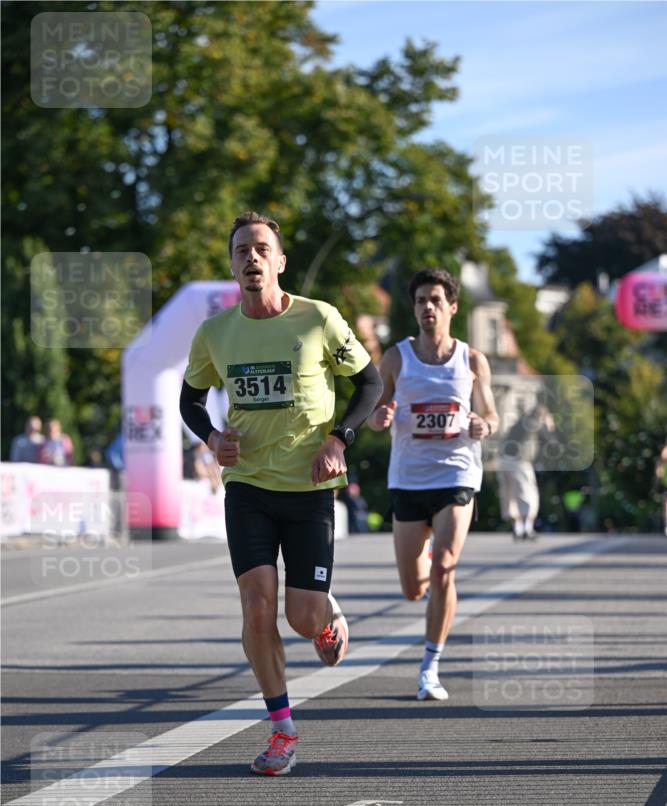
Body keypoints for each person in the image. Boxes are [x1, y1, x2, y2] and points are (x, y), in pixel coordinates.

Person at [179, 211, 382, 775]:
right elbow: (191, 401)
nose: (252, 258)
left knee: (300, 617)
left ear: (280, 261)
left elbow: (369, 382)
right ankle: (282, 731)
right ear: (232, 263)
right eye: (241, 249)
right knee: (256, 606)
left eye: (262, 248)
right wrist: (213, 436)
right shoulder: (215, 333)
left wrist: (340, 438)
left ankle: (323, 613)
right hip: (248, 485)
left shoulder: (318, 319)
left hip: (310, 486)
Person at [368, 267, 499, 701]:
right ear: (414, 308)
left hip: (457, 473)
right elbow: (373, 413)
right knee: (412, 588)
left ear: (452, 308)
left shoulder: (472, 361)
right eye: (421, 300)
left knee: (445, 565)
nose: (428, 307)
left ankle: (430, 666)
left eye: (436, 300)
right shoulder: (396, 358)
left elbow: (492, 415)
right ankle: (424, 554)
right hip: (408, 479)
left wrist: (484, 424)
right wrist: (380, 417)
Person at [496, 402, 555, 540]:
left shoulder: (520, 422)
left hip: (504, 461)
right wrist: (550, 427)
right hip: (519, 462)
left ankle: (518, 528)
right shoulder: (535, 423)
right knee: (528, 495)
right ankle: (527, 529)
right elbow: (550, 441)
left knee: (510, 495)